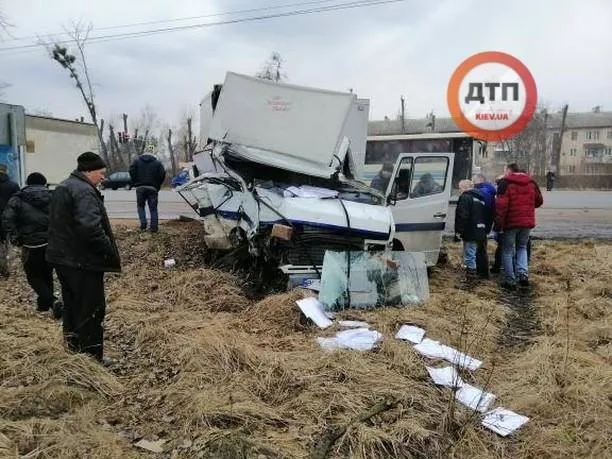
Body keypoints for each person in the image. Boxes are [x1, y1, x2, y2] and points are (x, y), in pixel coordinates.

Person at [46, 152, 121, 362]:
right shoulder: (84, 191)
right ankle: (91, 358)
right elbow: (90, 229)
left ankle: (74, 351)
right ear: (88, 171)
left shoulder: (63, 186)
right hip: (82, 262)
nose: (103, 177)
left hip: (63, 259)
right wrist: (108, 250)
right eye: (101, 173)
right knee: (91, 310)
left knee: (72, 307)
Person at [2, 173, 62, 317]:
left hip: (31, 244)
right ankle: (44, 307)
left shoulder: (18, 198)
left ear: (28, 183)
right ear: (45, 182)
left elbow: (7, 219)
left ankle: (52, 301)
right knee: (46, 273)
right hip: (52, 242)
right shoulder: (54, 197)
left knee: (33, 275)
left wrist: (16, 237)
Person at [495, 163, 543, 289]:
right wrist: (527, 206)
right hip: (527, 222)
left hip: (510, 222)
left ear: (510, 171)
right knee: (522, 247)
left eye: (505, 170)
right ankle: (523, 274)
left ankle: (510, 280)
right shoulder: (531, 182)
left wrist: (498, 225)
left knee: (507, 250)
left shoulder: (505, 183)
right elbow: (539, 201)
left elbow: (501, 207)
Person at [455, 179, 490, 280]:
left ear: (465, 188)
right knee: (479, 253)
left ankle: (471, 277)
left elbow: (462, 216)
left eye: (460, 188)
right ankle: (483, 274)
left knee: (469, 254)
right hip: (481, 230)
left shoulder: (465, 197)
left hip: (470, 230)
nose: (459, 190)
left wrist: (458, 231)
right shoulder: (480, 198)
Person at [129, 143, 166, 233]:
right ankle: (154, 228)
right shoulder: (157, 163)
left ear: (144, 152)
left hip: (140, 187)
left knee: (140, 206)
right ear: (153, 153)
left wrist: (135, 182)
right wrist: (157, 185)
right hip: (153, 188)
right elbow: (162, 174)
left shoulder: (137, 161)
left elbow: (131, 171)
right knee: (153, 208)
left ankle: (143, 224)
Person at [473, 173, 496, 279]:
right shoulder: (489, 190)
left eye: (475, 180)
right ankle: (482, 271)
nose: (473, 182)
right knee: (482, 246)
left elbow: (483, 209)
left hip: (481, 223)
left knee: (480, 247)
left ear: (481, 180)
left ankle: (482, 272)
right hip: (486, 223)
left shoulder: (483, 191)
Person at [0, 162, 20, 279]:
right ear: (6, 171)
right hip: (8, 219)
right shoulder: (13, 185)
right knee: (7, 244)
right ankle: (6, 268)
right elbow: (18, 203)